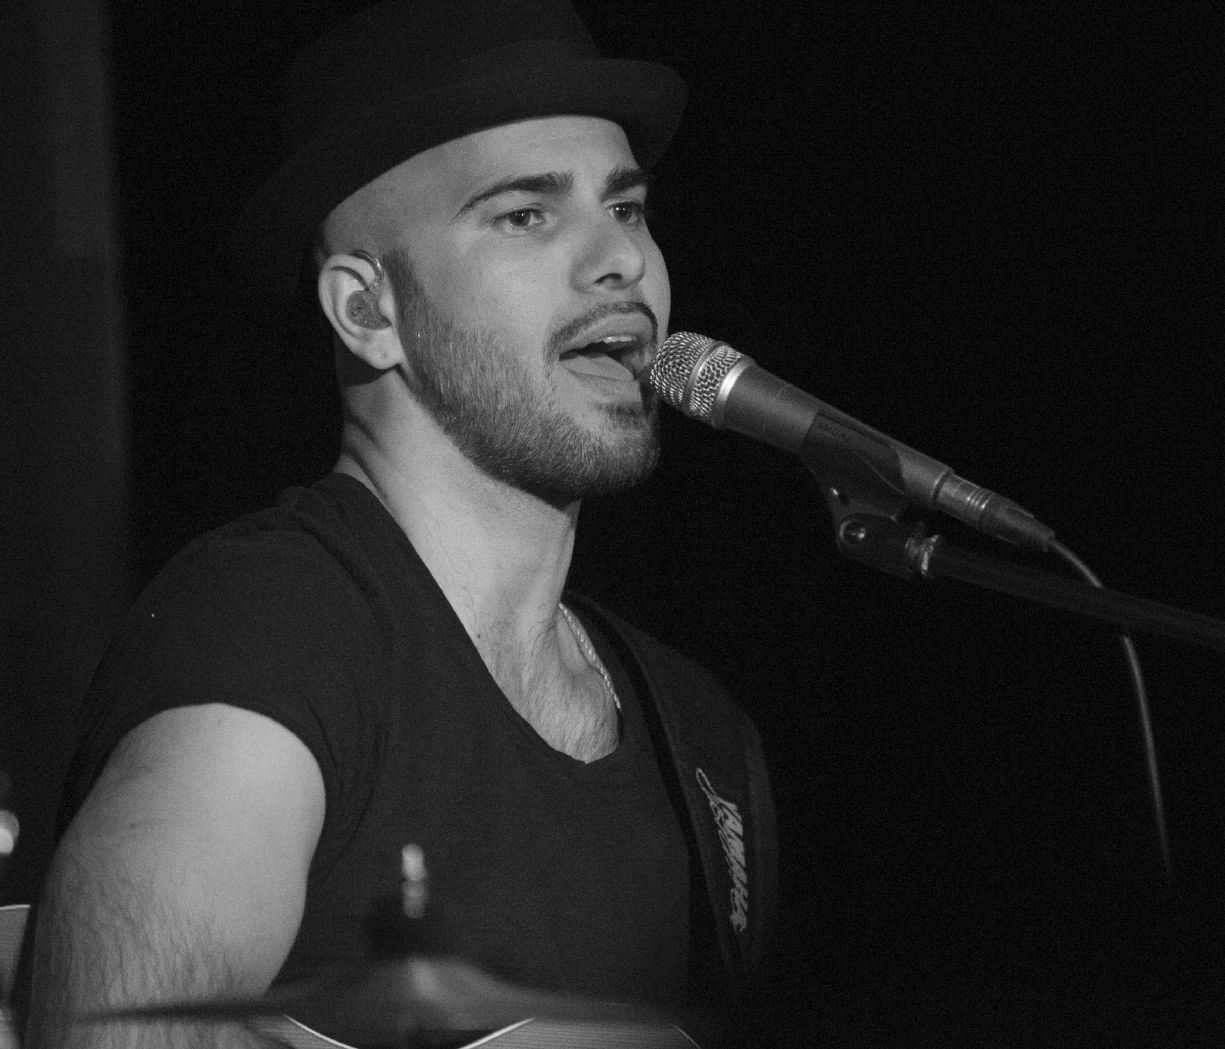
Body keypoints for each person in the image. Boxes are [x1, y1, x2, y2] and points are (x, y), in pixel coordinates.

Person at [22, 1, 777, 1045]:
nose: (620, 260)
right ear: (365, 309)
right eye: (526, 215)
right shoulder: (277, 623)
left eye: (628, 207)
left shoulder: (698, 732)